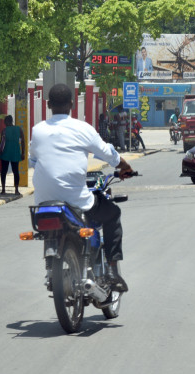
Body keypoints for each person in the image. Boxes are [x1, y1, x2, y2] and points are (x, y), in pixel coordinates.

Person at [29, 83, 134, 292]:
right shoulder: (82, 128)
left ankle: (51, 267)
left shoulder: (37, 130)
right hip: (75, 200)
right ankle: (112, 270)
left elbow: (33, 161)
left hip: (43, 201)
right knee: (113, 213)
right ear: (71, 104)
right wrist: (125, 166)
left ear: (48, 104)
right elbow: (108, 154)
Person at [0, 115, 24, 195]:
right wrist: (23, 152)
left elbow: (1, 143)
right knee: (16, 171)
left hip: (6, 152)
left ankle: (3, 189)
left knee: (4, 171)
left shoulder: (5, 130)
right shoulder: (19, 129)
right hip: (15, 152)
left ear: (7, 121)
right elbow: (23, 141)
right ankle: (16, 190)